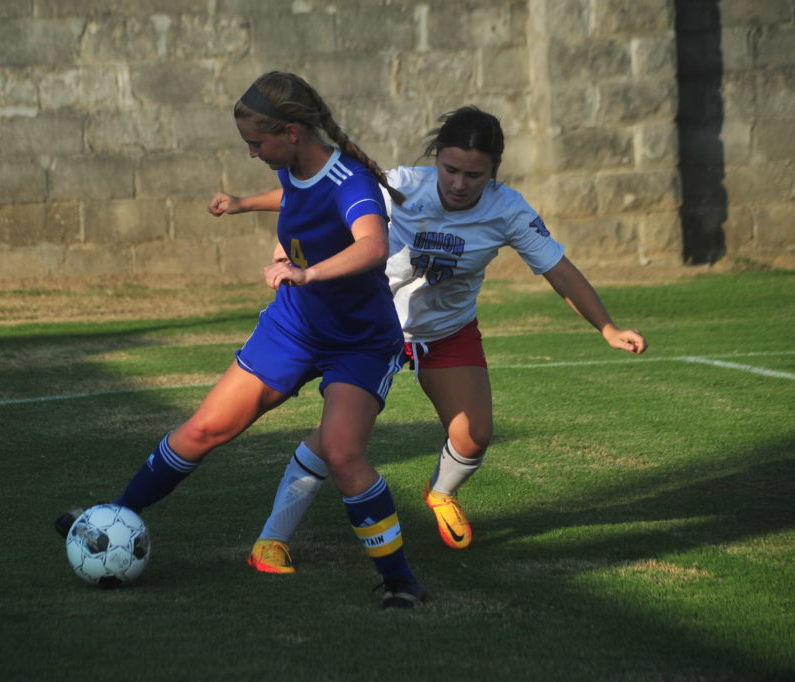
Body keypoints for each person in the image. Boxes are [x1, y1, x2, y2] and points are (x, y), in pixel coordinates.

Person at [59, 71, 427, 608]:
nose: (252, 152)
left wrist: (307, 272)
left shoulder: (351, 182)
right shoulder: (295, 168)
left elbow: (372, 245)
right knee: (204, 428)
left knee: (342, 453)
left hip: (360, 342)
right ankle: (114, 516)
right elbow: (295, 195)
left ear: (292, 133)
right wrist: (241, 203)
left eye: (257, 142)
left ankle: (400, 580)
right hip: (294, 327)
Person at [231, 106, 648, 574]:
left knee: (475, 436)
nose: (459, 183)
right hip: (374, 331)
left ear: (494, 170)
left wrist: (608, 327)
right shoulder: (399, 186)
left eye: (474, 175)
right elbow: (314, 195)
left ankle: (441, 492)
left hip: (448, 331)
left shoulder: (508, 210)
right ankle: (272, 538)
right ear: (436, 158)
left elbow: (561, 271)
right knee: (336, 441)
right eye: (450, 169)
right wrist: (259, 219)